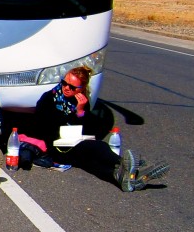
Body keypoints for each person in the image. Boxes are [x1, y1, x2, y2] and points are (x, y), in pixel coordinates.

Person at [30, 66, 171, 191]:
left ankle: (123, 174)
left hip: (74, 143)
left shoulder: (80, 102)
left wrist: (80, 111)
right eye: (64, 83)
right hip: (55, 145)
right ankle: (130, 169)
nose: (66, 88)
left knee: (90, 160)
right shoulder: (49, 98)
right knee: (96, 149)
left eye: (72, 87)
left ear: (81, 88)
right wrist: (75, 114)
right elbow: (47, 124)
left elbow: (89, 127)